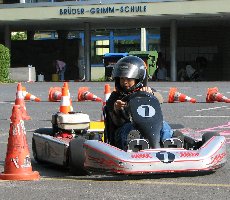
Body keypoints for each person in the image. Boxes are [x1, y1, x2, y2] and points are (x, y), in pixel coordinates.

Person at [105, 55, 173, 150]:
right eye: (122, 79)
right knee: (129, 128)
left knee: (163, 125)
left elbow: (160, 99)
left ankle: (169, 143)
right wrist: (117, 109)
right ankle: (134, 145)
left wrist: (151, 93)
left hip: (149, 126)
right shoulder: (115, 97)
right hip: (123, 131)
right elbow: (116, 123)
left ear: (138, 79)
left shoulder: (146, 91)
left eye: (129, 79)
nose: (125, 82)